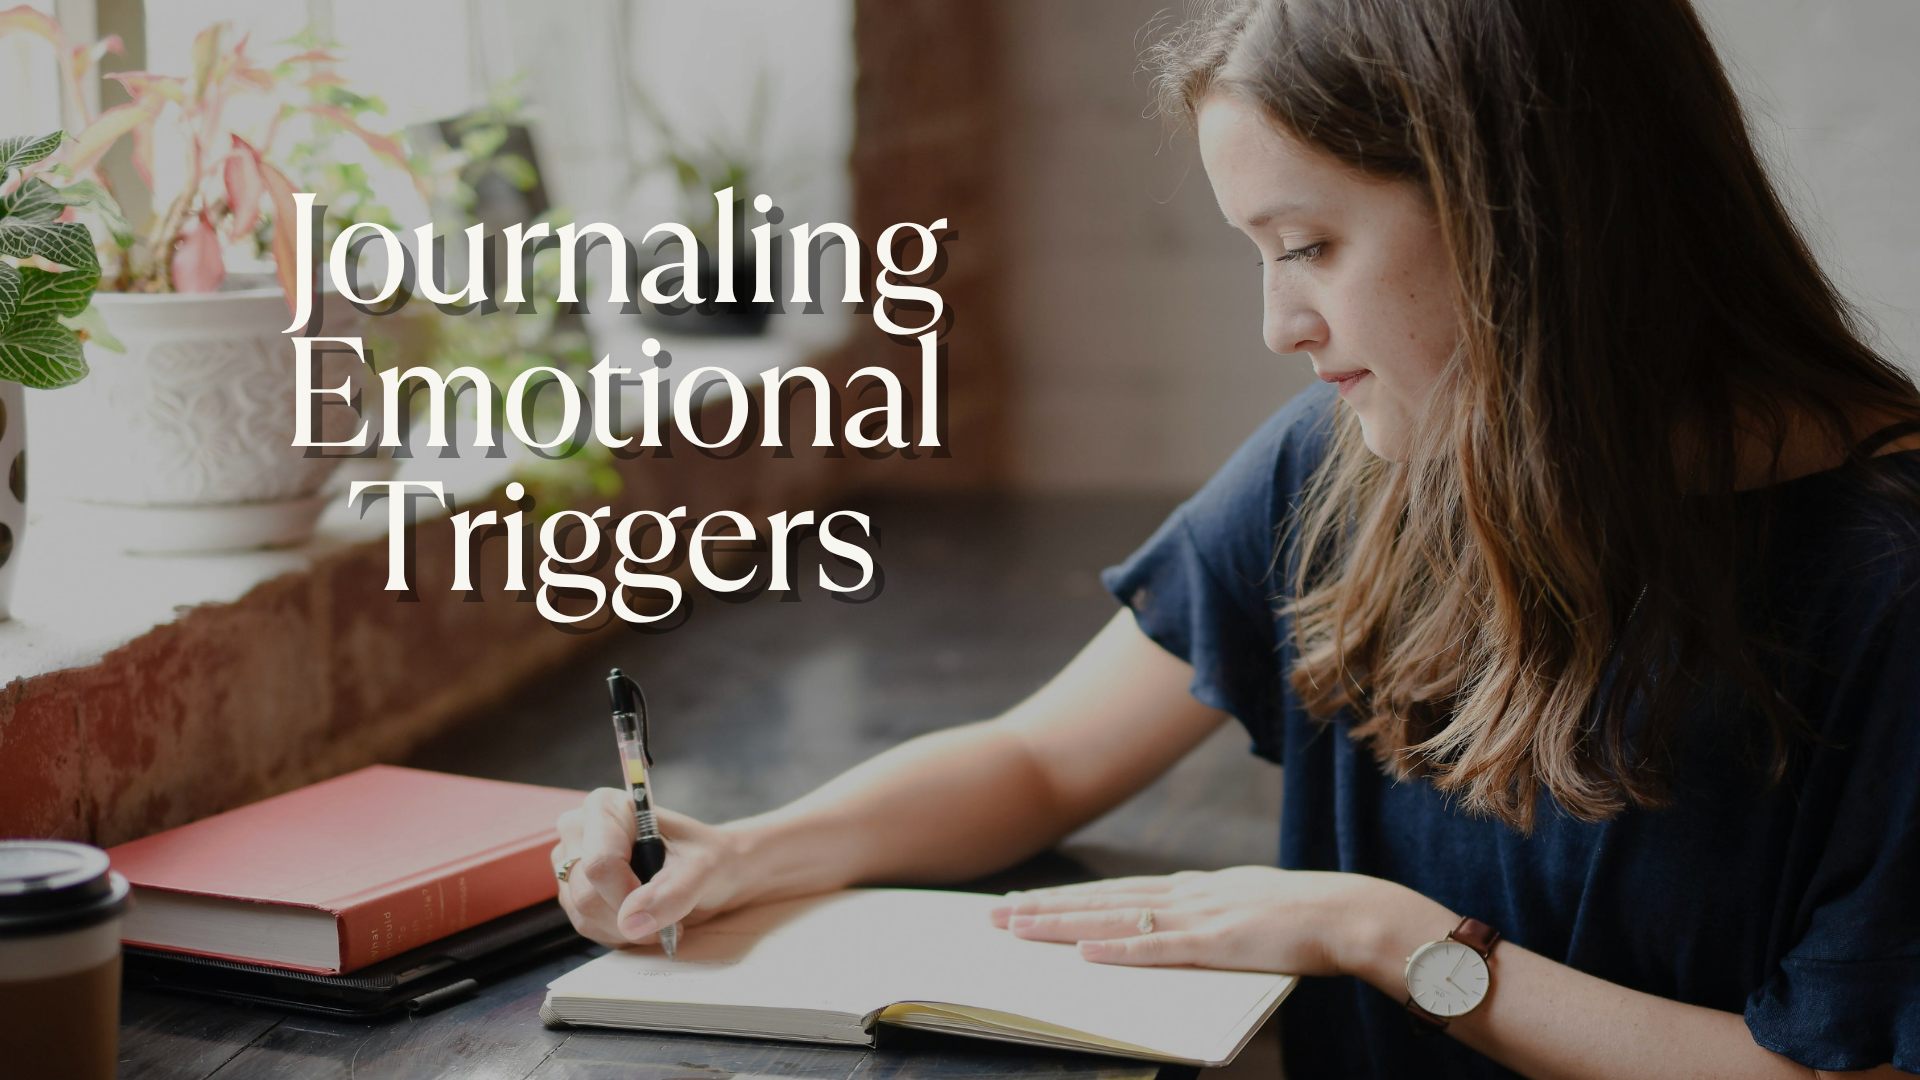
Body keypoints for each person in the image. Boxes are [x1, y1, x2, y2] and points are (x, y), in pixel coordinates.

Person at [551, 0, 1920, 1075]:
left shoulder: (1892, 583)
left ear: (1528, 216)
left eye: (1310, 245)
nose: (1280, 326)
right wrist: (751, 852)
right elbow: (1041, 756)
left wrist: (1385, 937)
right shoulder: (1366, 456)